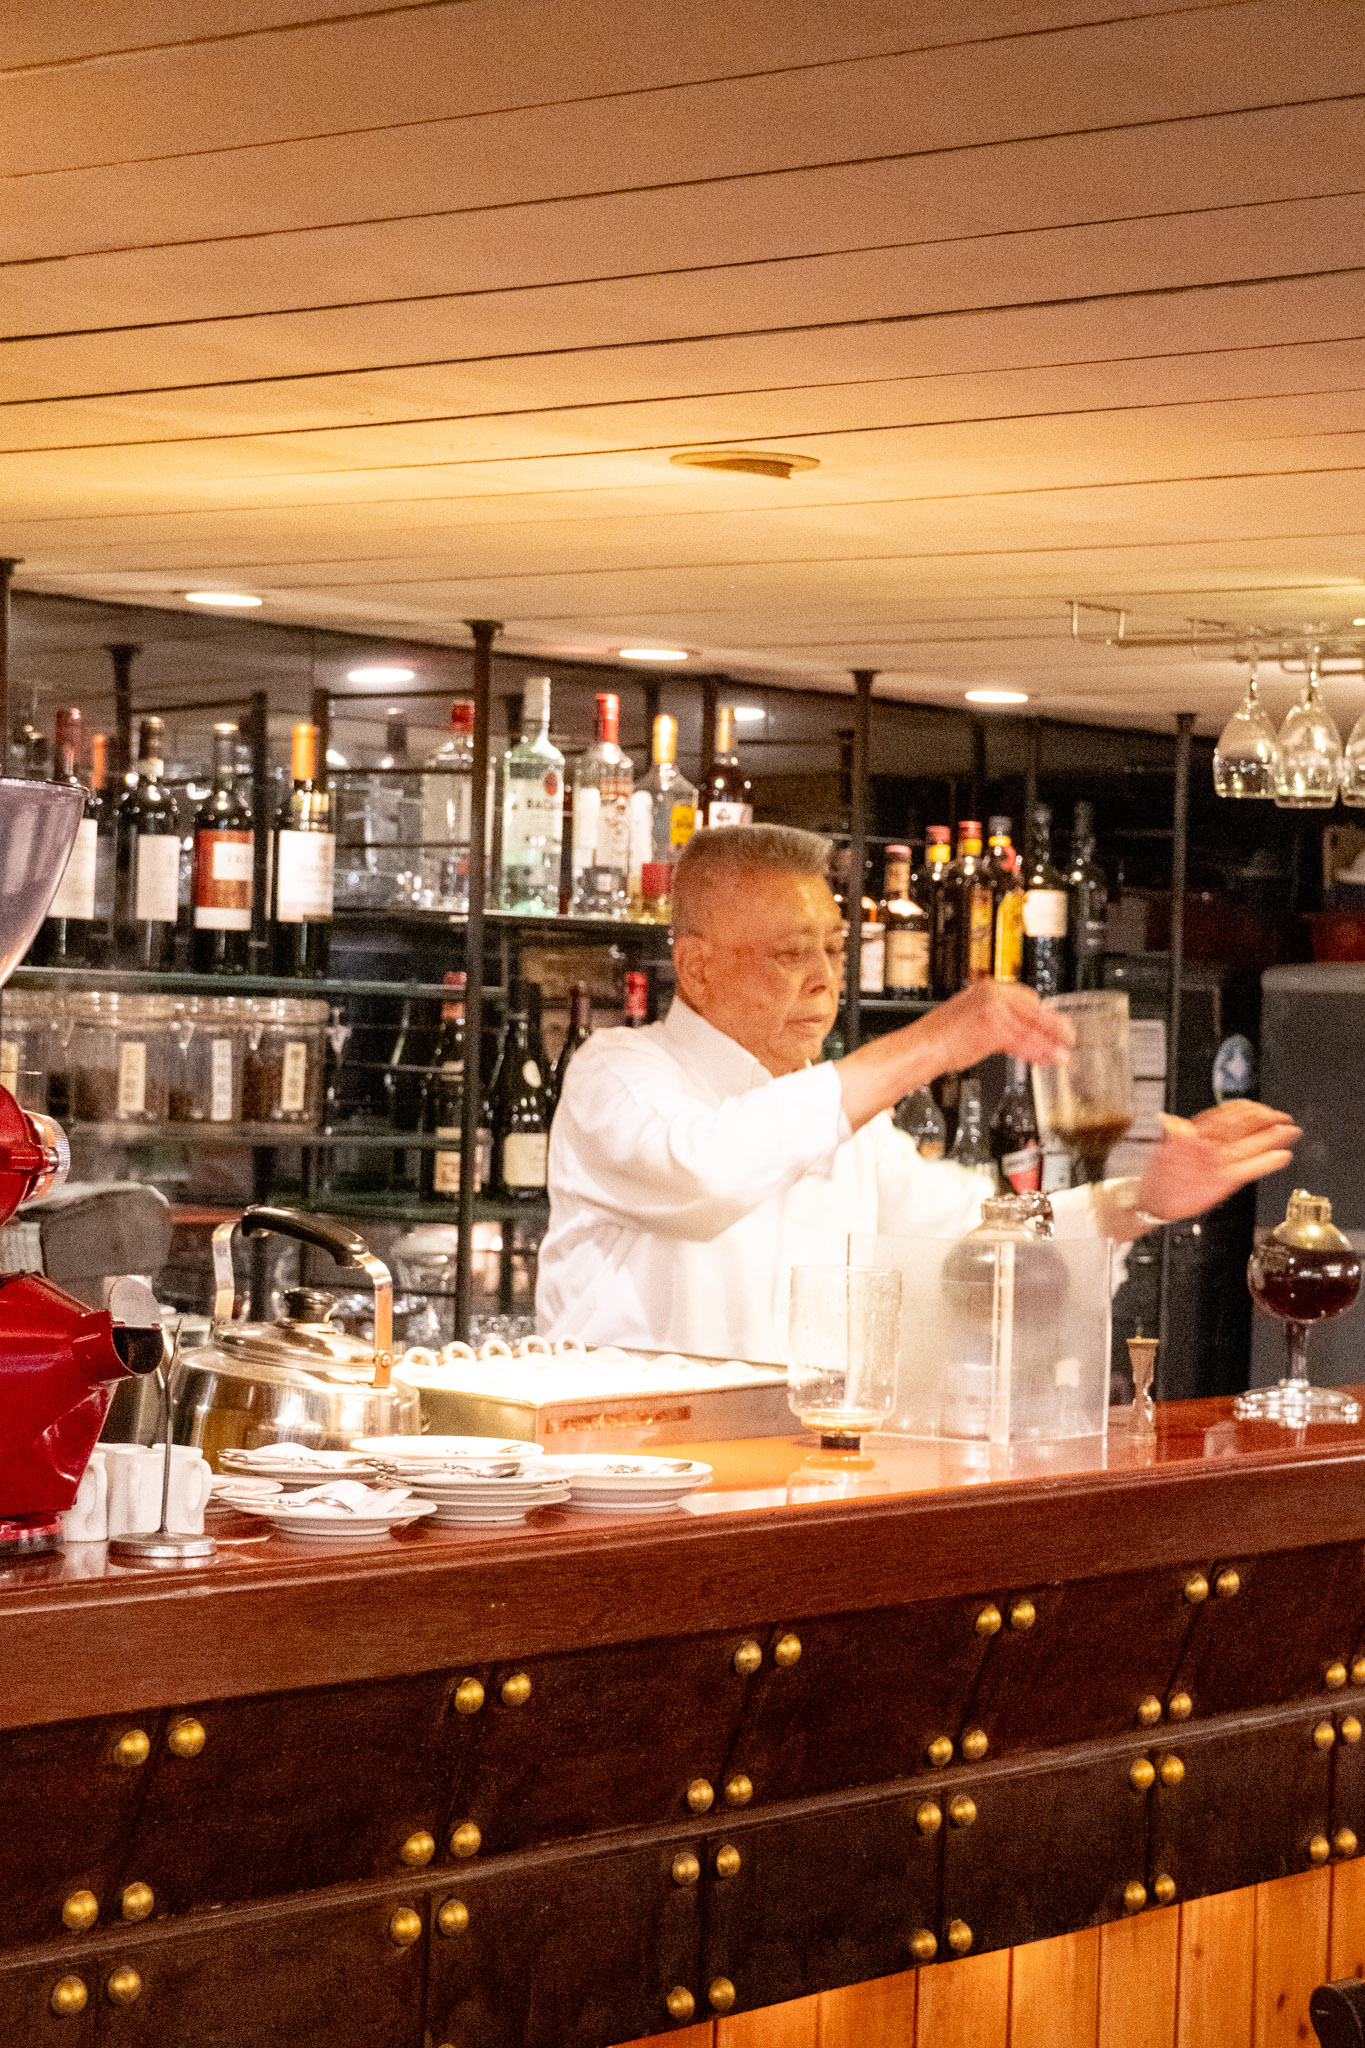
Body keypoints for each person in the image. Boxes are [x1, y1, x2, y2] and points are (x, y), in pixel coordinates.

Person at [537, 826, 1298, 1359]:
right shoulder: (616, 1072)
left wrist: (1138, 1201)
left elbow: (975, 1241)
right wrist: (932, 1041)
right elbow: (706, 1172)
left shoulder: (848, 1123)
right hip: (628, 1488)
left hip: (805, 1476)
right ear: (696, 969)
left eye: (833, 950)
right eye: (790, 954)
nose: (824, 979)